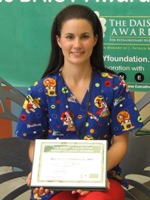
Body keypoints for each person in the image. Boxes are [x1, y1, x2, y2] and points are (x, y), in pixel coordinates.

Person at [16, 4, 143, 200]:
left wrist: (91, 175)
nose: (77, 45)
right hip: (55, 178)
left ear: (95, 39)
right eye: (69, 37)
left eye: (84, 36)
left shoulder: (115, 86)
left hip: (101, 175)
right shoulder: (40, 90)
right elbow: (35, 145)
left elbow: (120, 143)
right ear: (58, 40)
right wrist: (42, 172)